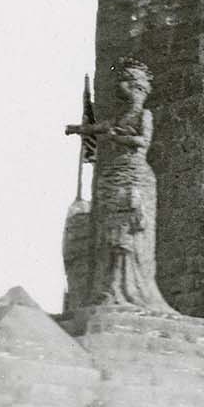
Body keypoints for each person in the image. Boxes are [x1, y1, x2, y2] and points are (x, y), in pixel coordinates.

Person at [65, 60, 176, 313]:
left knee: (131, 233)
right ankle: (111, 288)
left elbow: (142, 141)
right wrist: (75, 130)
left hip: (134, 175)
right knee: (111, 235)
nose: (121, 84)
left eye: (126, 80)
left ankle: (133, 289)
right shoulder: (119, 116)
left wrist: (118, 137)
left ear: (138, 87)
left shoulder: (143, 115)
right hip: (115, 176)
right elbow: (95, 128)